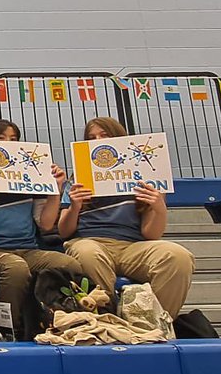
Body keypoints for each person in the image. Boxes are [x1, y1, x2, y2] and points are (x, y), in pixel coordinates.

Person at [57, 115, 195, 317]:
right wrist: (74, 207)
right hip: (91, 240)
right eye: (91, 137)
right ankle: (108, 319)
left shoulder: (148, 176)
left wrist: (159, 208)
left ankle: (154, 323)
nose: (97, 141)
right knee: (89, 254)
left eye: (104, 135)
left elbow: (151, 234)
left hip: (133, 246)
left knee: (178, 256)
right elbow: (63, 231)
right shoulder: (79, 177)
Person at [0, 119, 82, 341]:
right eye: (0, 138)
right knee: (16, 268)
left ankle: (64, 323)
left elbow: (45, 223)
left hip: (27, 248)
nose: (8, 143)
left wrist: (56, 188)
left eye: (13, 139)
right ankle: (6, 332)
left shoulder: (30, 177)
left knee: (68, 263)